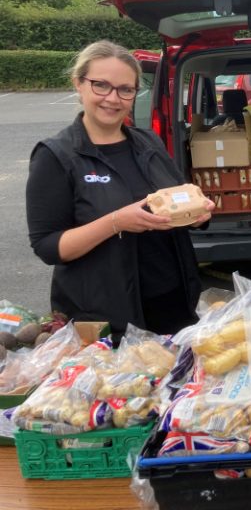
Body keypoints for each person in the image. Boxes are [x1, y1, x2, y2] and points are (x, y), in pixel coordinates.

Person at [26, 40, 215, 341]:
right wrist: (116, 222)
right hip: (106, 316)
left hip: (172, 303)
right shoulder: (56, 155)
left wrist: (197, 213)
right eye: (101, 85)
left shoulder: (148, 141)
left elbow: (178, 196)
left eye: (125, 89)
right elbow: (48, 247)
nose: (113, 99)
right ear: (79, 84)